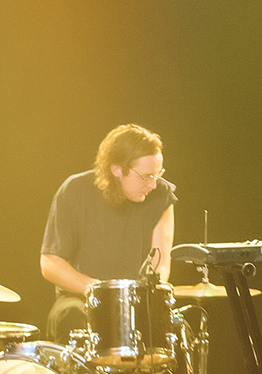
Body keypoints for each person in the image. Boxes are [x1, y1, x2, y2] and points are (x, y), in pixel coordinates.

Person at [40, 124, 176, 343]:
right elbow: (50, 263)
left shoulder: (161, 196)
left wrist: (136, 296)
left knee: (174, 327)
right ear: (116, 170)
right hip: (81, 299)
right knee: (70, 315)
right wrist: (102, 291)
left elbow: (160, 264)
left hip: (136, 301)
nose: (153, 184)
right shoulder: (74, 190)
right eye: (146, 176)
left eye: (158, 174)